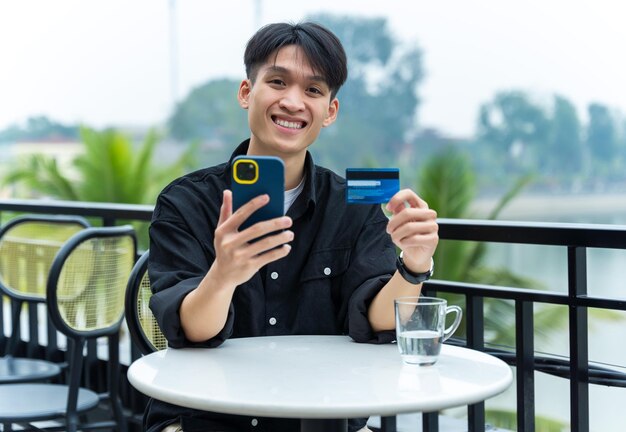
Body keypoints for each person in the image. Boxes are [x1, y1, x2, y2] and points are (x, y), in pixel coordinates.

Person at [147, 21, 439, 432]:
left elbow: (376, 320)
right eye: (278, 81)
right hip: (208, 419)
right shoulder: (185, 202)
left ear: (330, 112)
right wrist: (224, 275)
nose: (293, 102)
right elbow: (191, 331)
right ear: (247, 93)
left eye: (313, 91)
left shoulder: (352, 205)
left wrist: (414, 263)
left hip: (320, 418)